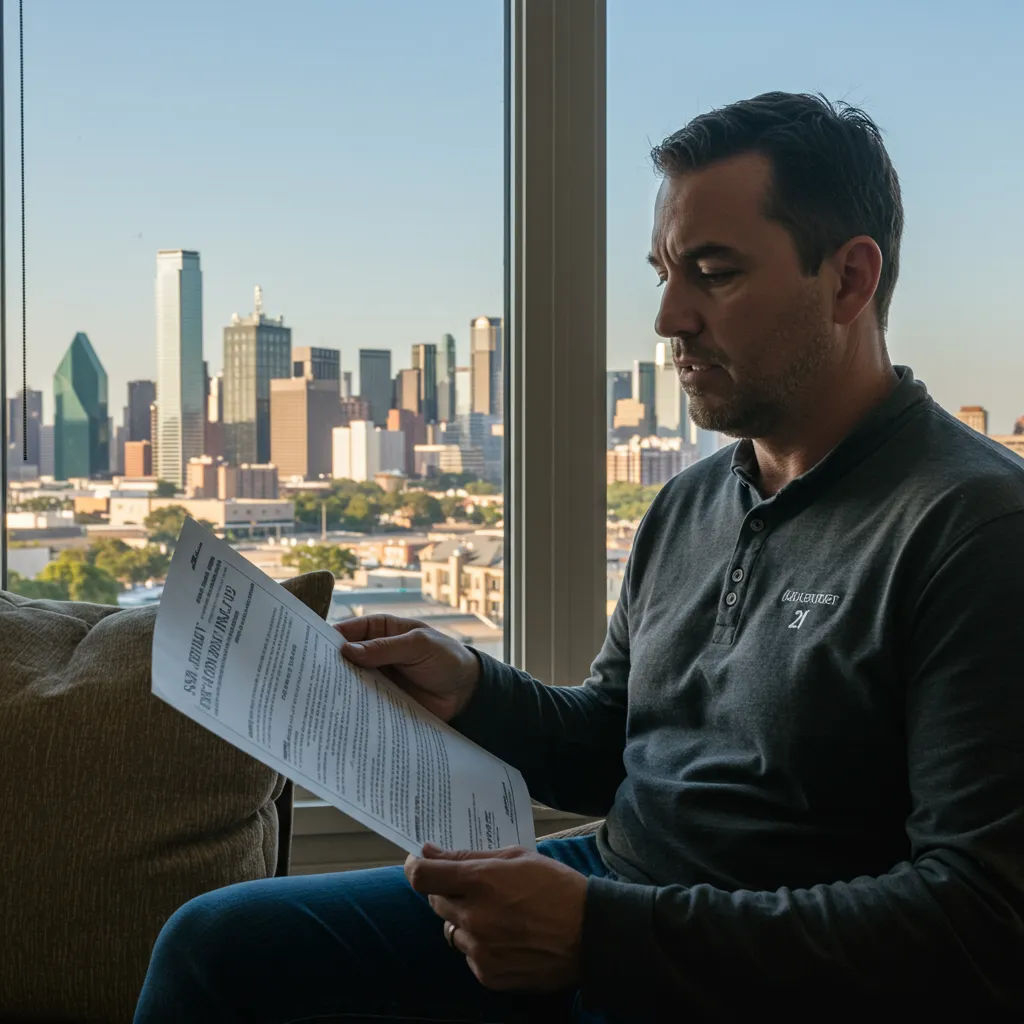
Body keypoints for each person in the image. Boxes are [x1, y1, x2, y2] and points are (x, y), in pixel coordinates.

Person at [134, 92, 1024, 1023]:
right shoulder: (689, 503)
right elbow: (612, 742)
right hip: (611, 886)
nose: (670, 319)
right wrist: (470, 688)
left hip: (746, 962)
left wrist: (606, 937)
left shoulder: (972, 528)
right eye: (664, 275)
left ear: (849, 281)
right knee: (216, 948)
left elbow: (981, 919)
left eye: (714, 274)